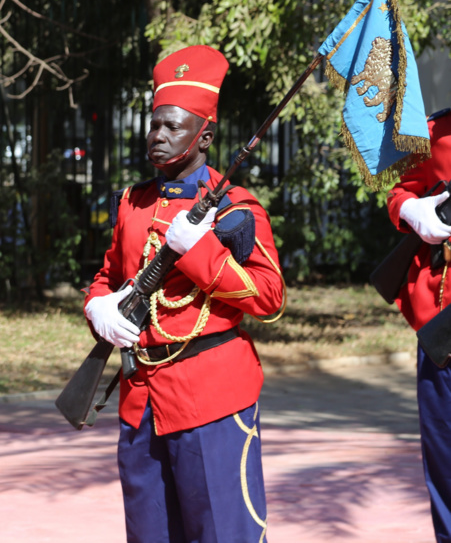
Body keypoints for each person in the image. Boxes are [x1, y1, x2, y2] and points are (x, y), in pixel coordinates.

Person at [85, 45, 285, 543]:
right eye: (154, 124)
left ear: (205, 136)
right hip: (142, 399)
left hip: (211, 399)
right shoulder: (133, 201)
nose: (157, 136)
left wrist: (200, 254)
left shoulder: (234, 208)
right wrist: (98, 308)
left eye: (172, 127)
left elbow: (270, 297)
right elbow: (109, 275)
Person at [387, 107, 451, 543]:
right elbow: (400, 192)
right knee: (445, 466)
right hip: (443, 329)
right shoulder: (437, 132)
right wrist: (414, 211)